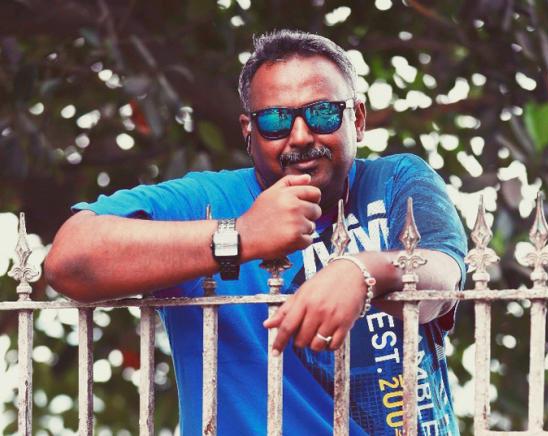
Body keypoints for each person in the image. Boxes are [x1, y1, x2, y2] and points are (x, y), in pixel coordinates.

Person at [46, 29, 467, 435]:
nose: (300, 136)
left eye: (322, 113)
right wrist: (241, 235)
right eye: (275, 121)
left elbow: (443, 280)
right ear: (249, 131)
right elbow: (68, 262)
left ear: (356, 118)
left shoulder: (395, 181)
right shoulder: (206, 201)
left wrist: (361, 272)